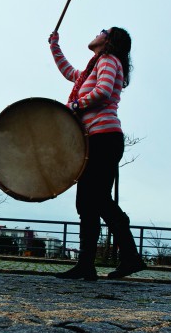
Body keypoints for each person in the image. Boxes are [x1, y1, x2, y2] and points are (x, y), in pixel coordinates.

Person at [49, 28, 146, 280]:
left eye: (103, 31)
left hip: (105, 138)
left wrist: (75, 106)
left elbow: (102, 91)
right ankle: (88, 265)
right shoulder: (93, 67)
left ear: (109, 41)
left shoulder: (108, 60)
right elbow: (70, 73)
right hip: (95, 140)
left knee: (98, 199)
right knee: (87, 203)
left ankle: (129, 257)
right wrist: (54, 46)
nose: (97, 32)